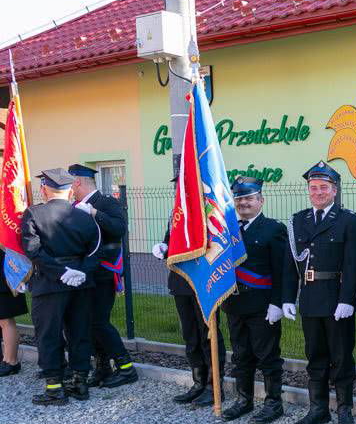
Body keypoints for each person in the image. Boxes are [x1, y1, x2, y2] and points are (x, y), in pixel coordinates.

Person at [283, 161, 356, 424]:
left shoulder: (349, 220)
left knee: (341, 357)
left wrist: (348, 300)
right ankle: (318, 408)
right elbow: (289, 263)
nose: (318, 192)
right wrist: (287, 298)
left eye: (323, 187)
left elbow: (354, 265)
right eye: (313, 187)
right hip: (309, 298)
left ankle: (344, 410)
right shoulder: (298, 220)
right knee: (314, 355)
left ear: (334, 190)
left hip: (335, 299)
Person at [22, 168, 100, 405]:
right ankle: (80, 383)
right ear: (69, 191)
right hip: (81, 284)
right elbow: (96, 248)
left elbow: (33, 250)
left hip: (49, 283)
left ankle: (55, 388)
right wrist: (80, 272)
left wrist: (60, 272)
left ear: (44, 189)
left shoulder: (33, 214)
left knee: (49, 335)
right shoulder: (84, 216)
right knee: (80, 332)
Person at [220, 177, 287, 424]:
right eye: (239, 198)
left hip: (262, 305)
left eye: (249, 198)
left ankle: (273, 402)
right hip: (234, 304)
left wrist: (278, 303)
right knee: (240, 354)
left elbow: (282, 271)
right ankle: (244, 400)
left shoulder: (273, 229)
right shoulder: (227, 229)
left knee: (267, 355)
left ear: (261, 200)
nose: (244, 203)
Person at [68, 164, 137, 388]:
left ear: (78, 182)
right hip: (86, 271)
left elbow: (119, 228)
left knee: (99, 321)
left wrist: (94, 213)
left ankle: (126, 367)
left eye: (72, 183)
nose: (71, 187)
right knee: (88, 322)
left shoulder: (106, 202)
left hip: (104, 271)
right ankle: (103, 367)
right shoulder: (75, 206)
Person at [152, 221, 227, 407]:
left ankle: (214, 385)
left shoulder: (207, 211)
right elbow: (174, 242)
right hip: (181, 281)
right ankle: (198, 382)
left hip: (204, 281)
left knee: (207, 335)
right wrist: (165, 248)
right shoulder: (178, 213)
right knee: (190, 335)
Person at [0, 248, 28, 377]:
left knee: (6, 319)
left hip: (6, 274)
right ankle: (5, 359)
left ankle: (11, 361)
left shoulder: (6, 227)